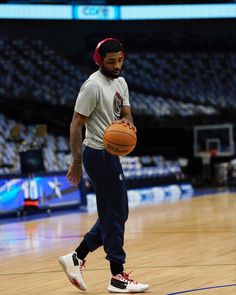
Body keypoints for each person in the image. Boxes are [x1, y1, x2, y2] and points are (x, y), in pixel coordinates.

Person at [58, 37, 149, 293]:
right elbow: (76, 123)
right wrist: (76, 162)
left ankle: (75, 257)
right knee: (112, 215)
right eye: (111, 62)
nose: (117, 65)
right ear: (100, 61)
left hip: (111, 154)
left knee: (120, 213)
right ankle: (117, 276)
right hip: (96, 153)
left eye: (120, 60)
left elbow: (126, 111)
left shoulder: (121, 82)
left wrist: (128, 123)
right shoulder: (92, 86)